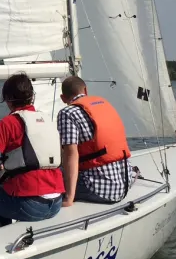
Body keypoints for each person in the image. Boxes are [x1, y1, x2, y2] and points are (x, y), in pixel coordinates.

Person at [0, 73, 63, 238]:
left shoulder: (7, 124)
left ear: (7, 99)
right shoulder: (47, 119)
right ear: (32, 96)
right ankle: (1, 235)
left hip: (31, 207)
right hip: (56, 203)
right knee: (1, 188)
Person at [56, 76, 133, 206]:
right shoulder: (103, 103)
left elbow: (71, 154)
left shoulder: (67, 113)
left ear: (63, 98)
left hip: (100, 190)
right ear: (85, 91)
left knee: (47, 180)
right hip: (125, 182)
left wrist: (69, 197)